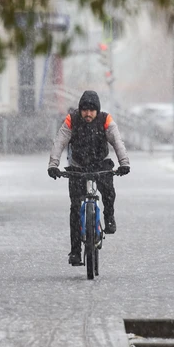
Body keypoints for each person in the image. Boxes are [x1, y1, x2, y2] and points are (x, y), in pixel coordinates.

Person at [48, 91, 130, 265]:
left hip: (100, 164)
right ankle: (76, 252)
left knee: (109, 192)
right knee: (75, 209)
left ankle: (109, 217)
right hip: (78, 167)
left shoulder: (105, 119)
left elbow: (117, 141)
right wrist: (53, 165)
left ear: (97, 111)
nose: (88, 114)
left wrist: (124, 163)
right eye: (85, 110)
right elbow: (59, 142)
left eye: (92, 110)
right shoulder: (72, 120)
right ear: (80, 109)